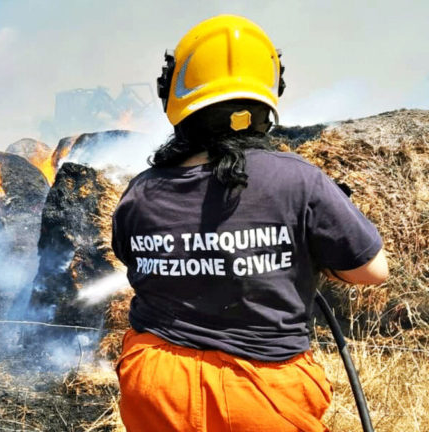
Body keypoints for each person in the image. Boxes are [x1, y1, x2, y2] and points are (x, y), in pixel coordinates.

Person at [111, 15, 388, 432]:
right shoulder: (299, 179)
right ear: (269, 94)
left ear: (173, 94)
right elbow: (372, 271)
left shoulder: (141, 190)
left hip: (155, 388)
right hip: (261, 395)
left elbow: (133, 259)